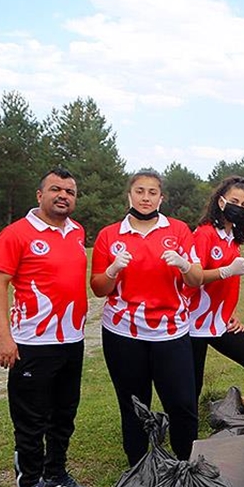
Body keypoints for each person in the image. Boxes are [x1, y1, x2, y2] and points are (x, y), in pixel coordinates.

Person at [0, 167, 89, 487]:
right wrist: (4, 337)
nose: (63, 196)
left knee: (65, 412)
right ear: (39, 195)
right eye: (56, 189)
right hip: (32, 343)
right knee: (32, 420)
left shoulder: (77, 232)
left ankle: (55, 472)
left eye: (70, 191)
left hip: (71, 338)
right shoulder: (16, 234)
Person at [91, 169, 205, 466]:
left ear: (161, 198)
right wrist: (113, 270)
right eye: (139, 191)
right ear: (129, 195)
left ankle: (186, 462)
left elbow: (195, 280)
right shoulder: (109, 235)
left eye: (152, 192)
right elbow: (98, 288)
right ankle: (139, 464)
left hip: (170, 331)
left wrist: (183, 264)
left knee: (182, 402)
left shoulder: (178, 230)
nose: (145, 197)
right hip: (123, 333)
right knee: (133, 404)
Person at [187, 176, 244, 405]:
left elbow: (224, 288)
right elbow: (193, 278)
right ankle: (186, 435)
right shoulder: (204, 234)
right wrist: (225, 270)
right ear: (221, 202)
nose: (239, 208)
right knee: (193, 384)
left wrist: (228, 314)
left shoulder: (231, 238)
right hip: (193, 323)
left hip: (219, 322)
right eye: (235, 201)